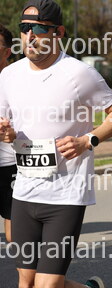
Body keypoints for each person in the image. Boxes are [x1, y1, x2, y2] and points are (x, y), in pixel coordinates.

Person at [0, 0, 112, 288]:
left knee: (46, 285)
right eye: (24, 28)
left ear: (58, 32)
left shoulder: (79, 74)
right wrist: (6, 133)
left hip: (66, 194)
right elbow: (7, 127)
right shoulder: (9, 75)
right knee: (27, 281)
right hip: (24, 191)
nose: (29, 35)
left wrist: (88, 140)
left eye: (38, 28)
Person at [0, 25, 16, 243]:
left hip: (12, 165)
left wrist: (13, 132)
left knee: (15, 238)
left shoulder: (18, 79)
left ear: (7, 51)